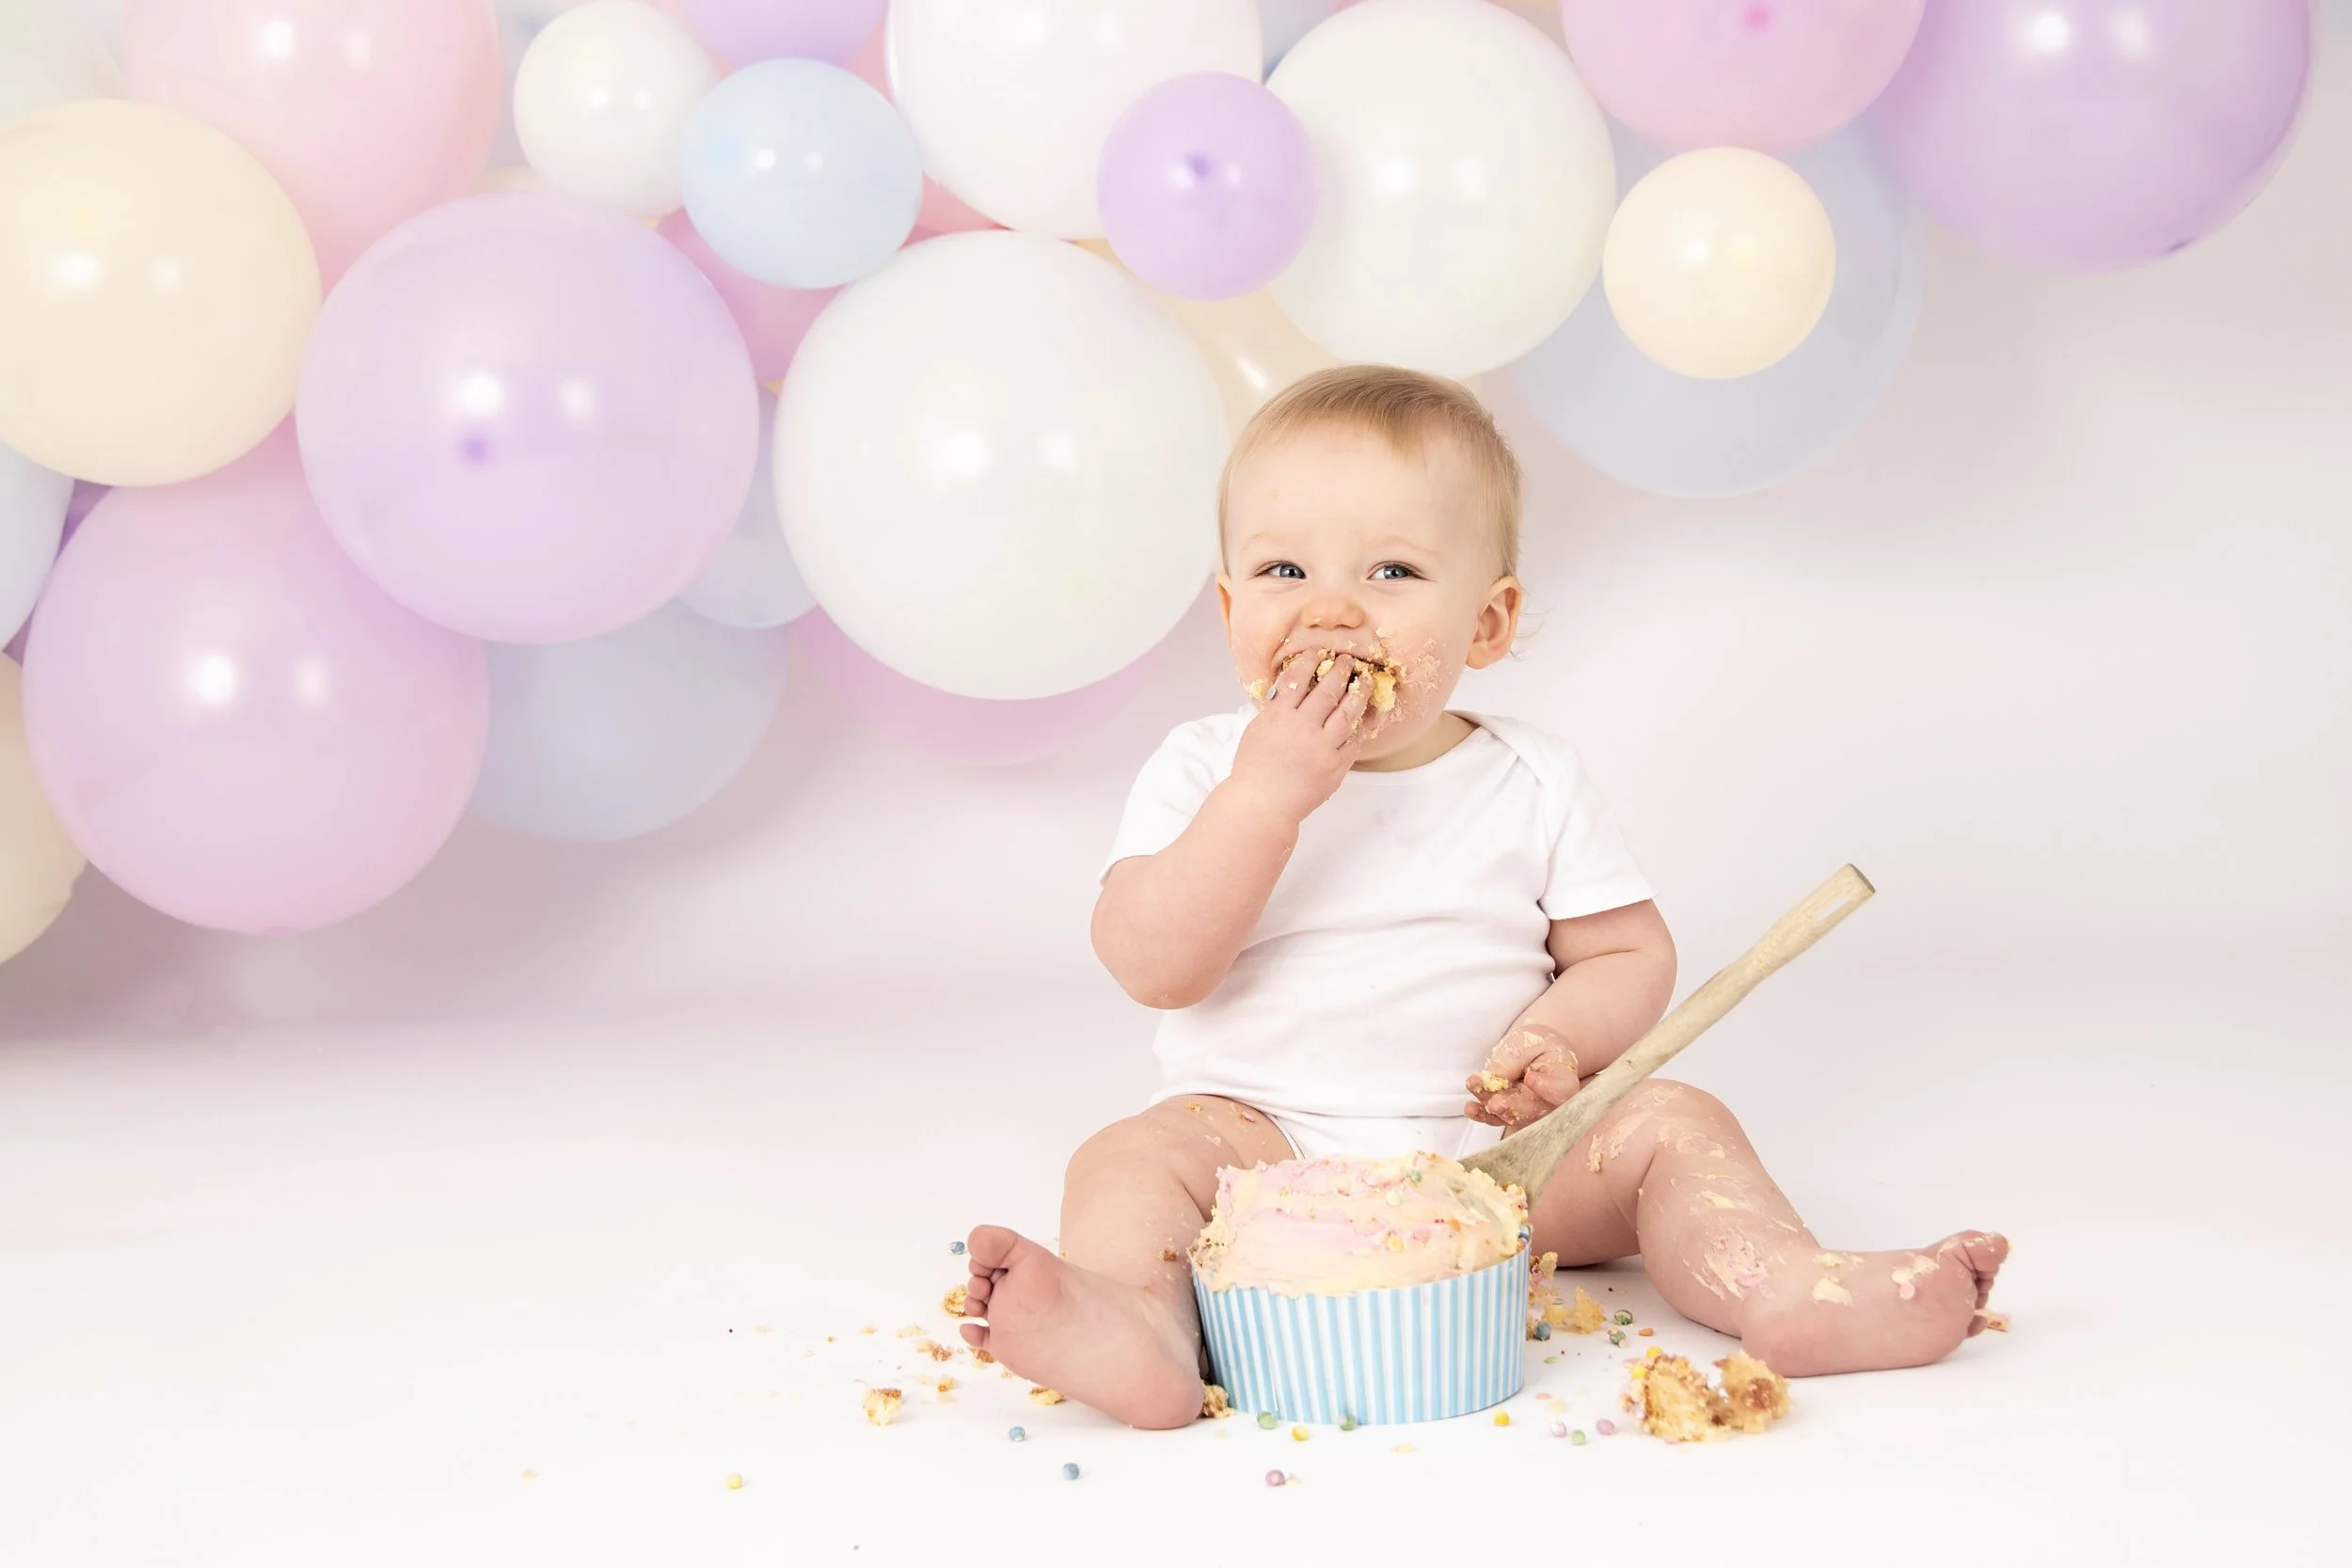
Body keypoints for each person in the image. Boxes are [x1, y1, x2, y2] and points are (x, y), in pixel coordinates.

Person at [959, 365, 2007, 1429]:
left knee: (1676, 1122)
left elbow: (1628, 954)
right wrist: (1266, 795)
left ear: (1487, 623)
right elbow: (1150, 962)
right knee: (1128, 1159)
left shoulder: (1532, 776)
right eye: (1282, 568)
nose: (1331, 608)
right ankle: (1135, 1325)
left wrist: (1555, 1037)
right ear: (1231, 609)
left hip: (1501, 1165)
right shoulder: (1202, 767)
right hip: (1256, 1145)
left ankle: (1781, 1283)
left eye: (1393, 570)